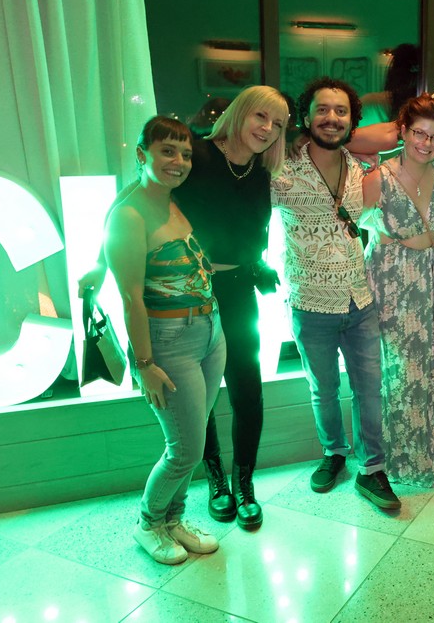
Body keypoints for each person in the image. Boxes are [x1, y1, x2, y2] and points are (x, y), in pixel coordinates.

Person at [82, 86, 289, 530]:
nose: (267, 129)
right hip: (193, 292)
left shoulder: (260, 170)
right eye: (260, 116)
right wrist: (100, 262)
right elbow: (133, 195)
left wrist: (257, 263)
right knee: (200, 397)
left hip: (238, 288)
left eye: (277, 124)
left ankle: (244, 484)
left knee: (247, 389)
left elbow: (243, 227)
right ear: (240, 113)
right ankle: (215, 481)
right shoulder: (198, 155)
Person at [272, 76, 401, 510]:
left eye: (341, 111)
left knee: (370, 389)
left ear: (352, 120)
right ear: (306, 117)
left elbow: (396, 139)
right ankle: (334, 453)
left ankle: (372, 468)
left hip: (359, 300)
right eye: (322, 110)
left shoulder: (361, 166)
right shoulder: (283, 170)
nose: (332, 118)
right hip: (309, 302)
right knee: (323, 389)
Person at [104, 116, 225, 565]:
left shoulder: (172, 201)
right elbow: (130, 299)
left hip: (210, 332)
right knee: (186, 449)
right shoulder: (129, 215)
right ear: (142, 155)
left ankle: (174, 519)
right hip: (168, 343)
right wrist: (144, 365)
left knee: (192, 440)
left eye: (185, 153)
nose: (179, 161)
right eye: (167, 151)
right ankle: (148, 522)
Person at [361, 94, 434, 486]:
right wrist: (380, 234)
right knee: (398, 371)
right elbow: (347, 221)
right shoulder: (378, 178)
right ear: (402, 131)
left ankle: (432, 449)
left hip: (428, 278)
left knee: (430, 364)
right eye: (419, 133)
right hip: (391, 280)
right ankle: (398, 458)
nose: (426, 143)